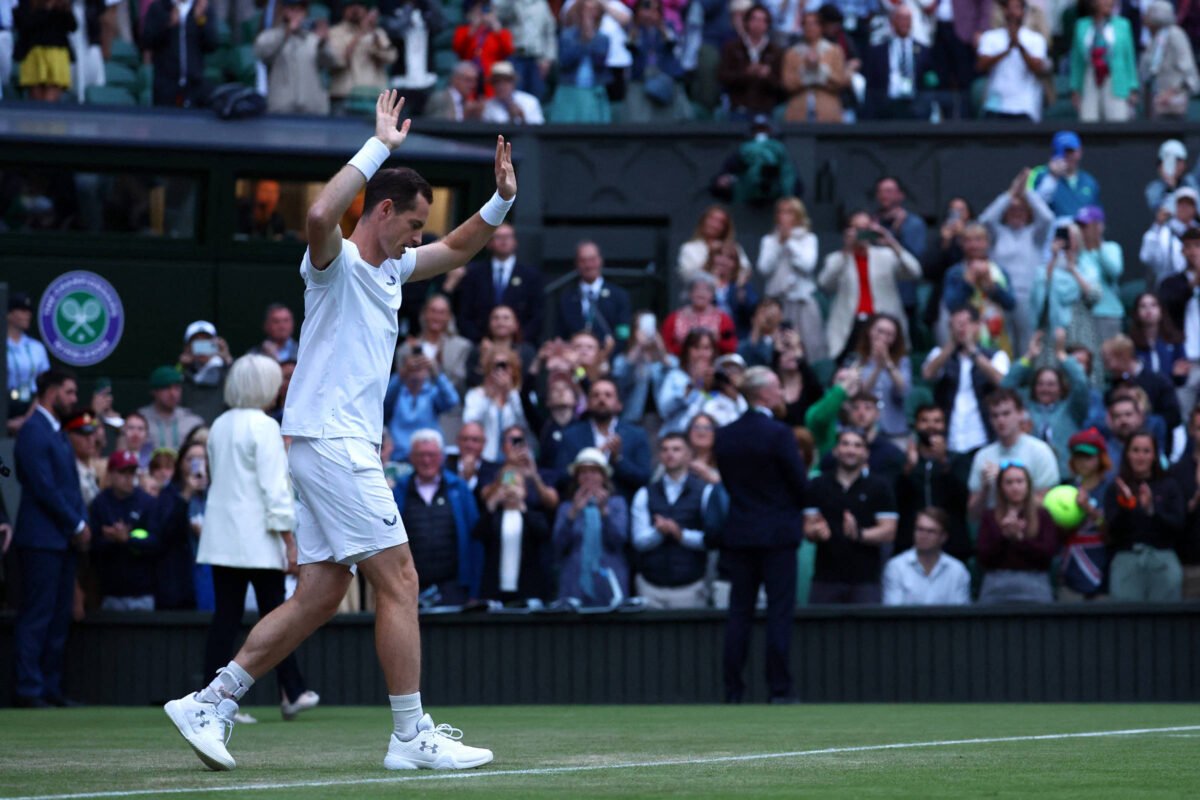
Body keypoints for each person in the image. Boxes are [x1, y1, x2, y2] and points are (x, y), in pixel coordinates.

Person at [163, 91, 508, 772]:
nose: (417, 235)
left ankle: (211, 702)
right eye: (411, 222)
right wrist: (379, 145)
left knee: (320, 594)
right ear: (382, 211)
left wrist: (500, 199)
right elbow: (323, 212)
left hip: (327, 446)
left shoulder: (395, 269)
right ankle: (410, 737)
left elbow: (462, 244)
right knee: (401, 579)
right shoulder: (334, 264)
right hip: (332, 444)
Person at [198, 355, 318, 723]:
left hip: (222, 537)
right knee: (277, 617)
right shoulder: (265, 426)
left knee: (227, 619)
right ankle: (290, 691)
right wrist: (290, 541)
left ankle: (215, 698)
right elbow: (275, 489)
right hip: (259, 539)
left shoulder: (218, 425)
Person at [713, 367, 807, 703]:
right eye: (779, 387)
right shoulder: (779, 434)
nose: (782, 393)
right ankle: (779, 690)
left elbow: (729, 484)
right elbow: (799, 484)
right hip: (778, 535)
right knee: (778, 613)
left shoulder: (724, 435)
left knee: (739, 613)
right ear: (764, 394)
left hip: (740, 532)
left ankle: (733, 691)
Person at [11, 369, 89, 708]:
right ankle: (29, 689)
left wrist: (77, 524)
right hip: (41, 541)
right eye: (69, 392)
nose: (74, 399)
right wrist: (76, 525)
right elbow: (44, 488)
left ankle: (50, 688)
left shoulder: (55, 431)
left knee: (58, 619)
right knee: (38, 616)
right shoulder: (33, 431)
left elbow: (66, 489)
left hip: (61, 541)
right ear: (51, 391)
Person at [804, 428, 898, 604]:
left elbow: (889, 531)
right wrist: (816, 531)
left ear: (866, 453)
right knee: (820, 630)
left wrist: (859, 534)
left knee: (868, 631)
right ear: (835, 450)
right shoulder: (817, 484)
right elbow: (808, 526)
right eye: (845, 444)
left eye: (857, 445)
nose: (850, 450)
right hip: (825, 578)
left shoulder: (879, 486)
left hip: (866, 579)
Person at [393, 429, 484, 605]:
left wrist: (474, 589)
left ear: (441, 457)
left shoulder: (459, 489)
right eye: (421, 455)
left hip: (454, 588)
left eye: (432, 455)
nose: (426, 461)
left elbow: (475, 540)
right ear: (411, 457)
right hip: (411, 587)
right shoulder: (400, 491)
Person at [819, 210, 922, 361]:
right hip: (850, 325)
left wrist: (891, 242)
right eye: (857, 228)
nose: (862, 233)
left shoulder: (886, 255)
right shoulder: (837, 258)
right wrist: (846, 250)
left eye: (866, 228)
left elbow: (915, 272)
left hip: (882, 324)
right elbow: (824, 284)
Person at [631, 433, 719, 609]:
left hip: (691, 586)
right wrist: (658, 532)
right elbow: (638, 541)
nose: (670, 454)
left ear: (689, 455)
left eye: (676, 449)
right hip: (651, 587)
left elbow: (712, 539)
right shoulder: (644, 493)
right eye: (665, 450)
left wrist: (681, 535)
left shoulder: (705, 492)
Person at [977, 169, 1054, 358]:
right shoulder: (998, 234)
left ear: (1028, 212)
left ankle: (1025, 382)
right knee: (1000, 341)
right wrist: (1010, 194)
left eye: (1021, 209)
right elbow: (985, 220)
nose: (1016, 213)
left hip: (1027, 296)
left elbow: (1048, 218)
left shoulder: (1035, 235)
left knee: (1027, 342)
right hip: (999, 296)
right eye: (1012, 209)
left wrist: (1026, 192)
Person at [1104, 431, 1185, 601]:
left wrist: (1151, 510)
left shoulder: (1170, 485)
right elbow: (1111, 531)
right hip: (1126, 560)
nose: (1140, 456)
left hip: (1163, 560)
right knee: (1126, 623)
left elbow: (1178, 525)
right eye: (1135, 450)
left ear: (1155, 455)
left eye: (1146, 451)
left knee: (1166, 623)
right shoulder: (1115, 488)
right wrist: (1127, 506)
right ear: (1127, 454)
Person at [475, 429, 553, 603]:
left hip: (528, 588)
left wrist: (522, 507)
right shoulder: (494, 516)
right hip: (495, 590)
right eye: (507, 485)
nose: (511, 490)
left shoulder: (532, 515)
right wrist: (494, 503)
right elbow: (477, 534)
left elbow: (543, 534)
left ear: (525, 490)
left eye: (516, 485)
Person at [922, 305, 1010, 456]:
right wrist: (950, 346)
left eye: (966, 323)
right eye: (956, 324)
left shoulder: (996, 355)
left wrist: (973, 351)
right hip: (949, 438)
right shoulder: (940, 354)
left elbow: (1002, 381)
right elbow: (928, 374)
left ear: (977, 326)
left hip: (983, 437)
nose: (961, 328)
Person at [1001, 331, 1091, 476]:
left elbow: (1081, 384)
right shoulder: (1025, 407)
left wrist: (1062, 356)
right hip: (1029, 478)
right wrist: (1028, 357)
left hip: (1065, 476)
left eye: (1051, 384)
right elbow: (1006, 387)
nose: (1045, 389)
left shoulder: (1072, 409)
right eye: (1040, 384)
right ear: (1034, 387)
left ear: (1060, 387)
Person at [552, 447, 630, 605]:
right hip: (574, 582)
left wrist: (604, 512)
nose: (588, 477)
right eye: (583, 472)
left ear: (603, 476)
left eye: (594, 472)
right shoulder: (566, 508)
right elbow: (558, 546)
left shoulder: (617, 504)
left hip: (608, 580)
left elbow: (619, 541)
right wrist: (573, 513)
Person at [555, 377, 651, 502]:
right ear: (588, 403)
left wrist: (618, 460)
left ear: (618, 404)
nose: (601, 399)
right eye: (596, 395)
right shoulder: (571, 435)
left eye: (608, 395)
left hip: (623, 507)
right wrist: (591, 456)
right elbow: (560, 477)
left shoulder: (636, 434)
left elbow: (644, 478)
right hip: (579, 506)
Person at [967, 389, 1060, 517]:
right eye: (995, 415)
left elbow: (1048, 506)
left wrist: (1005, 479)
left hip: (1032, 528)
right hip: (994, 528)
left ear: (1021, 414)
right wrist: (985, 488)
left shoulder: (1040, 451)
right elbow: (973, 513)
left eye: (1006, 413)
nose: (1000, 420)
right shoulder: (983, 456)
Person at [896, 404, 972, 560]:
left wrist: (944, 462)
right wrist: (909, 469)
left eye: (937, 421)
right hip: (910, 545)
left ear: (944, 425)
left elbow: (965, 501)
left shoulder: (959, 460)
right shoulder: (902, 461)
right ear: (916, 425)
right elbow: (895, 501)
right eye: (924, 420)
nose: (931, 426)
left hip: (952, 546)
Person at [976, 462, 1058, 603]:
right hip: (997, 583)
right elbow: (983, 558)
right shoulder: (989, 516)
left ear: (1028, 485)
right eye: (1009, 482)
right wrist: (1005, 537)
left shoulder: (1043, 515)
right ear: (1001, 487)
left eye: (1020, 481)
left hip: (1034, 582)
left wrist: (1020, 539)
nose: (1015, 487)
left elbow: (1047, 555)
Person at [89, 450, 159, 611]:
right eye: (122, 472)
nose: (128, 477)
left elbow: (156, 543)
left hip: (142, 591)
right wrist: (111, 538)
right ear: (111, 474)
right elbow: (91, 544)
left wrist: (128, 539)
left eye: (132, 472)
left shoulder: (147, 502)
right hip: (110, 592)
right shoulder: (100, 503)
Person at [755, 198, 824, 360]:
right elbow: (764, 268)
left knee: (807, 346)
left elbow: (807, 265)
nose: (783, 216)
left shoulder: (809, 239)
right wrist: (779, 244)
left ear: (798, 215)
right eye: (780, 212)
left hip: (802, 303)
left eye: (789, 212)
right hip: (775, 303)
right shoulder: (769, 240)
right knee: (775, 346)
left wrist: (790, 242)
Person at [455, 223, 544, 344]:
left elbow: (537, 316)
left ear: (515, 242)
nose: (504, 240)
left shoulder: (530, 276)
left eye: (508, 236)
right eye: (498, 237)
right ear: (489, 243)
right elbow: (464, 314)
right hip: (480, 346)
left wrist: (519, 342)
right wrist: (480, 340)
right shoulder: (474, 274)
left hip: (519, 347)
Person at [941, 223, 1016, 357]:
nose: (974, 245)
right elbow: (951, 305)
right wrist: (968, 282)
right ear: (962, 244)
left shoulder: (1000, 271)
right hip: (965, 338)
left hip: (997, 337)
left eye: (978, 240)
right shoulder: (955, 273)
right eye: (969, 240)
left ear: (987, 243)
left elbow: (1010, 303)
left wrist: (991, 285)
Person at [255, 0, 333, 115]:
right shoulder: (270, 36)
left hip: (312, 109)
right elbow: (261, 52)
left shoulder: (314, 39)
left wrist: (322, 44)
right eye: (292, 9)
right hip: (281, 108)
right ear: (284, 11)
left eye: (300, 10)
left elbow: (331, 62)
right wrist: (287, 31)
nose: (296, 14)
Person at [975, 0, 1048, 121]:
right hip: (995, 106)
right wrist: (1006, 49)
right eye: (1008, 7)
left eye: (1017, 7)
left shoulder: (1036, 39)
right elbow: (980, 66)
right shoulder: (990, 37)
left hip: (1025, 107)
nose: (1012, 12)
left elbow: (1038, 69)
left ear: (1024, 11)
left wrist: (1019, 46)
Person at [844, 313, 910, 446]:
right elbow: (858, 394)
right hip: (861, 434)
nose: (883, 337)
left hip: (894, 432)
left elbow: (904, 391)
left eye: (889, 334)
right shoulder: (855, 361)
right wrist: (877, 368)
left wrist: (888, 363)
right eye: (879, 331)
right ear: (869, 331)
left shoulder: (902, 362)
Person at [882, 507, 971, 606]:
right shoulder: (896, 567)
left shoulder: (957, 571)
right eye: (920, 529)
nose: (923, 535)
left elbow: (960, 614)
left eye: (930, 531)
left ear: (943, 537)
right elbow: (893, 613)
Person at [384, 351, 460, 462]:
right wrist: (402, 374)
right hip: (399, 458)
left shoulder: (432, 393)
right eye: (412, 367)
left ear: (427, 370)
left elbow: (452, 401)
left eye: (421, 366)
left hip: (429, 456)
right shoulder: (396, 393)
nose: (416, 370)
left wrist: (436, 373)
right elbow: (382, 402)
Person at [1069, 0, 1138, 122]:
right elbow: (1077, 61)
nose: (1109, 2)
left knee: (1117, 120)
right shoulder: (1081, 25)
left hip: (1115, 77)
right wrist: (1075, 88)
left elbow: (1129, 57)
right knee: (1088, 119)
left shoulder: (1123, 25)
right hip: (1090, 77)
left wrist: (1133, 87)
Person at [556, 240, 632, 350]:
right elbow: (561, 336)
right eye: (583, 260)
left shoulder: (619, 295)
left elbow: (623, 333)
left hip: (610, 359)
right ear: (576, 263)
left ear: (600, 260)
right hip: (576, 361)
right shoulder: (566, 298)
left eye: (592, 259)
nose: (588, 265)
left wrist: (607, 356)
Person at [327, 1, 398, 115]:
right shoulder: (334, 32)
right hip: (344, 98)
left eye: (359, 6)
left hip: (373, 98)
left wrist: (375, 37)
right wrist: (361, 32)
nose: (355, 10)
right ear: (344, 10)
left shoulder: (378, 33)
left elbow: (391, 57)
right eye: (351, 6)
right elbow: (337, 61)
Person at [862, 4, 933, 120]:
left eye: (907, 19)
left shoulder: (923, 51)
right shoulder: (878, 52)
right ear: (892, 22)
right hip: (887, 107)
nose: (904, 22)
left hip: (915, 106)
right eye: (900, 18)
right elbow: (870, 86)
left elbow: (929, 81)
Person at [395, 294, 472, 398]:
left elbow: (459, 386)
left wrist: (435, 369)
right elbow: (397, 389)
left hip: (448, 411)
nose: (436, 317)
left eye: (442, 312)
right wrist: (407, 369)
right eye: (433, 311)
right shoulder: (406, 348)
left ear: (449, 316)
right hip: (413, 408)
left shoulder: (461, 347)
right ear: (424, 313)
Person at [462, 345, 530, 463]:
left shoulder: (519, 397)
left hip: (514, 462)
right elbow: (470, 423)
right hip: (485, 459)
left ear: (513, 370)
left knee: (510, 480)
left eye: (505, 366)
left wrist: (509, 394)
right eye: (496, 366)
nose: (500, 371)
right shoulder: (476, 395)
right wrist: (489, 398)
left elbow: (525, 425)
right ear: (489, 369)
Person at [143, 0, 218, 108]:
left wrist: (200, 20)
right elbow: (147, 41)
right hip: (166, 85)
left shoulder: (201, 9)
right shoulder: (159, 8)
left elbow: (212, 44)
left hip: (195, 83)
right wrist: (168, 23)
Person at [548, 0, 612, 123]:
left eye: (593, 10)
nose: (588, 14)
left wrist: (590, 37)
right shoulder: (567, 36)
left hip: (594, 92)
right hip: (569, 91)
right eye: (586, 10)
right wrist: (583, 39)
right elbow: (565, 61)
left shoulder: (603, 38)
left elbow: (600, 63)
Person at [1101, 335, 1182, 433]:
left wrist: (1144, 420)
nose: (1106, 368)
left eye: (1108, 361)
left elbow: (1174, 417)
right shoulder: (1112, 388)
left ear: (1123, 356)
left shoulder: (1159, 382)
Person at [1159, 228, 1200, 414]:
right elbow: (1172, 302)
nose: (1193, 251)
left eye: (1198, 246)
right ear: (1182, 250)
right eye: (1189, 246)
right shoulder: (1171, 282)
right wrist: (1194, 283)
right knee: (1183, 416)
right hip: (1186, 360)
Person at [717, 3, 782, 119]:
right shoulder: (732, 48)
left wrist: (767, 75)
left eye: (763, 20)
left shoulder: (775, 51)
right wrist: (746, 72)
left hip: (765, 110)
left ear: (767, 24)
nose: (758, 24)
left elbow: (781, 85)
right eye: (755, 19)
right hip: (738, 109)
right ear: (746, 22)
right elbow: (723, 77)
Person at [781, 10, 848, 122]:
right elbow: (787, 84)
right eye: (806, 24)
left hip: (828, 111)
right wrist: (806, 71)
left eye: (813, 24)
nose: (809, 27)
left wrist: (819, 68)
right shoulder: (792, 53)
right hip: (798, 111)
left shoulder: (834, 51)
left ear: (821, 27)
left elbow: (840, 81)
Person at [1140, 1, 1200, 120]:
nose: (1144, 18)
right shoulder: (1155, 38)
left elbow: (1188, 71)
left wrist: (1172, 93)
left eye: (1148, 14)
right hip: (1155, 100)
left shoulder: (1175, 35)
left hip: (1172, 104)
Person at [492, 0, 557, 102]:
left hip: (536, 59)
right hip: (514, 57)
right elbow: (498, 18)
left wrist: (547, 59)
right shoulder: (506, 2)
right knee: (514, 97)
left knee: (536, 97)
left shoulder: (541, 4)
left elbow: (549, 31)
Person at [657, 328, 718, 435]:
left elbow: (718, 405)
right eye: (696, 347)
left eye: (706, 348)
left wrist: (710, 385)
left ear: (713, 352)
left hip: (710, 436)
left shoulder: (719, 378)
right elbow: (664, 410)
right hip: (677, 435)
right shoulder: (675, 377)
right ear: (687, 350)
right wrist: (695, 383)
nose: (701, 353)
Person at [13, 0, 76, 103]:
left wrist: (65, 9)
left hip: (57, 54)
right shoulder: (28, 4)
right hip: (33, 53)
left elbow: (72, 26)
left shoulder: (61, 5)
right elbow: (24, 24)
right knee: (36, 101)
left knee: (50, 100)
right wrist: (46, 8)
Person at [1029, 131, 1101, 220]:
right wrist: (1052, 178)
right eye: (1061, 151)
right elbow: (1034, 208)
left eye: (1070, 151)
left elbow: (1096, 216)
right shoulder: (1040, 174)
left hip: (1083, 231)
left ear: (1080, 152)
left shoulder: (1089, 181)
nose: (1066, 156)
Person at [661, 275, 738, 357]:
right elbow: (665, 348)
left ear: (712, 294)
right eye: (696, 289)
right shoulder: (673, 318)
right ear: (689, 293)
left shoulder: (723, 319)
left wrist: (717, 340)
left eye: (706, 289)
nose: (701, 293)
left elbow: (731, 347)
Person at [6, 292, 51, 433]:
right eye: (22, 311)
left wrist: (28, 419)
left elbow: (45, 386)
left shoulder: (37, 347)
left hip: (32, 406)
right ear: (9, 314)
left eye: (29, 311)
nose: (28, 315)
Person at [1168, 404, 1200, 597]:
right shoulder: (1177, 472)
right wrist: (1193, 504)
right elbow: (1171, 521)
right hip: (1190, 566)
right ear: (1191, 430)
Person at [677, 206, 752, 287]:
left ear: (725, 227)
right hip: (701, 295)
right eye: (712, 219)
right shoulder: (689, 248)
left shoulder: (734, 247)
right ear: (704, 221)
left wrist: (730, 286)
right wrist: (710, 260)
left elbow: (746, 270)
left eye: (720, 222)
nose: (714, 225)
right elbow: (687, 276)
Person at [138, 366, 205, 453]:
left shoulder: (193, 422)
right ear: (154, 391)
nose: (173, 393)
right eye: (166, 388)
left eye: (177, 388)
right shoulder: (139, 420)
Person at [454, 0, 515, 92]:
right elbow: (459, 51)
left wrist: (497, 29)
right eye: (477, 10)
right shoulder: (463, 31)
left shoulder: (500, 32)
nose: (482, 13)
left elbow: (508, 51)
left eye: (486, 9)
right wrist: (473, 28)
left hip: (490, 79)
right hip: (469, 78)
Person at [1130, 292, 1187, 386]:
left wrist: (1178, 375)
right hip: (1140, 393)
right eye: (1143, 306)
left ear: (1161, 310)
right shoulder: (1130, 343)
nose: (1148, 309)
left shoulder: (1175, 340)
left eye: (1153, 305)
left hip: (1170, 391)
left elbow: (1182, 378)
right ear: (1136, 313)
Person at [481, 60, 545, 123]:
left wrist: (522, 117)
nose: (501, 85)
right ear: (492, 85)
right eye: (496, 81)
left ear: (514, 83)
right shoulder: (487, 106)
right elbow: (491, 132)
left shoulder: (530, 101)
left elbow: (539, 130)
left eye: (506, 80)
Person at [1145, 140, 1199, 213]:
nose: (1173, 165)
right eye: (1168, 161)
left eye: (1177, 161)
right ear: (1160, 167)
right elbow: (1163, 215)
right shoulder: (1154, 189)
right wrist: (1171, 188)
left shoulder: (1192, 181)